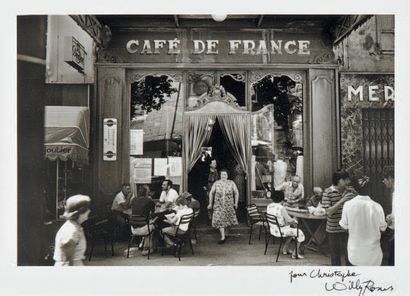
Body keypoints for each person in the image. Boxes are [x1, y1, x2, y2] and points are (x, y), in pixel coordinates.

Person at [340, 176, 387, 266]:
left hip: (354, 254)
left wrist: (354, 229)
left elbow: (343, 226)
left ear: (355, 189)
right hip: (373, 256)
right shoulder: (377, 206)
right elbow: (383, 229)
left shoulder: (348, 205)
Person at [322, 170, 353, 266]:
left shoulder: (349, 191)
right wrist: (342, 200)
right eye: (346, 180)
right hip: (333, 230)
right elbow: (329, 212)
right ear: (340, 180)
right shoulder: (327, 192)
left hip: (347, 229)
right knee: (335, 257)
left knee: (350, 256)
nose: (349, 182)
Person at [53, 194, 91, 266]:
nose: (89, 210)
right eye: (87, 208)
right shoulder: (71, 230)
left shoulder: (75, 226)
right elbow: (67, 262)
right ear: (80, 212)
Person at [266, 194, 305, 259]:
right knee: (300, 233)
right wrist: (295, 220)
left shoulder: (269, 206)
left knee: (291, 229)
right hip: (281, 231)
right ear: (282, 200)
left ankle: (285, 249)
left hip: (273, 229)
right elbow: (289, 220)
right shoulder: (281, 208)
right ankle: (295, 254)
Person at [207, 169, 239, 244]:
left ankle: (226, 233)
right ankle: (222, 237)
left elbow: (236, 193)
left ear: (227, 175)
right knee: (219, 220)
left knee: (229, 220)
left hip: (229, 205)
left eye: (225, 175)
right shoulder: (216, 183)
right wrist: (210, 203)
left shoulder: (231, 183)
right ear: (220, 175)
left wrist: (236, 203)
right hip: (218, 205)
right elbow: (211, 193)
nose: (223, 176)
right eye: (222, 175)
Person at [130, 185, 156, 256]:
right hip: (144, 229)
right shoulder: (149, 200)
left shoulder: (133, 200)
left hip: (133, 229)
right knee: (153, 226)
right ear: (146, 193)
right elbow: (153, 212)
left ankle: (142, 244)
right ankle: (146, 248)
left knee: (147, 224)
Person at [382, 165, 395, 265]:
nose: (383, 182)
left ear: (390, 178)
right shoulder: (394, 192)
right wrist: (391, 215)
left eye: (384, 179)